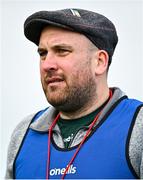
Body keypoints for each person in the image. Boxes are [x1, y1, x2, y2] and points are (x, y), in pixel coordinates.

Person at [5, 8, 143, 179]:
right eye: (43, 53)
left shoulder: (138, 125)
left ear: (99, 62)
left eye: (62, 51)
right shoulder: (24, 134)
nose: (47, 65)